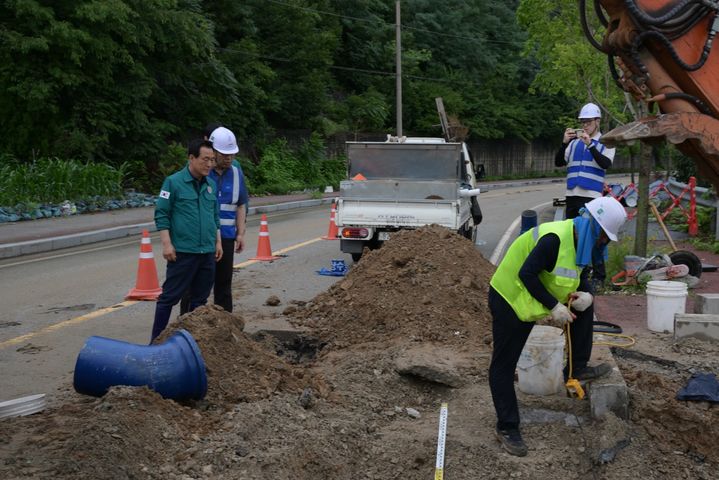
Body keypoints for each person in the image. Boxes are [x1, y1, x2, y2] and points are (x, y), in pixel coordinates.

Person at [487, 196, 627, 457]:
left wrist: (587, 295)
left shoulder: (581, 242)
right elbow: (526, 274)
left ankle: (577, 368)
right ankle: (507, 426)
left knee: (584, 308)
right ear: (594, 228)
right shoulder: (554, 240)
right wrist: (554, 306)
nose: (604, 243)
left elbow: (579, 275)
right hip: (509, 299)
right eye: (604, 237)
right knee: (504, 365)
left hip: (532, 298)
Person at [150, 139, 222, 342]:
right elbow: (162, 214)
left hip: (207, 252)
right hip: (182, 252)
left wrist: (217, 243)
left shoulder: (210, 185)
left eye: (212, 160)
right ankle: (156, 340)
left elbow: (214, 216)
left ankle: (190, 343)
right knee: (169, 298)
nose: (209, 164)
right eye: (205, 159)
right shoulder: (173, 182)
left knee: (199, 301)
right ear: (191, 158)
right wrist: (166, 244)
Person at [555, 102, 616, 286]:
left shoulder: (606, 143)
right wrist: (564, 142)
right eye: (582, 122)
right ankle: (578, 275)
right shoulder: (573, 144)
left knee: (594, 236)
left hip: (592, 197)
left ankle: (599, 276)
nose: (585, 126)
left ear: (597, 121)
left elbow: (605, 163)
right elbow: (559, 162)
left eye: (588, 122)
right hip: (572, 194)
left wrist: (590, 145)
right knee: (571, 235)